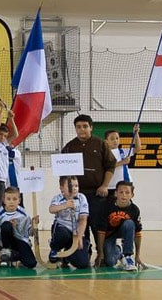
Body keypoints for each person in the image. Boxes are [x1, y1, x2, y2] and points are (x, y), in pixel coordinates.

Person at [61, 114, 116, 246]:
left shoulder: (101, 144)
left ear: (91, 127)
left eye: (85, 126)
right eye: (78, 127)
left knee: (97, 224)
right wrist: (66, 192)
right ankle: (84, 250)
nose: (82, 129)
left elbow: (110, 165)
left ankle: (101, 253)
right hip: (76, 196)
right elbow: (62, 171)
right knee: (80, 224)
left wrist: (104, 186)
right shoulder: (69, 147)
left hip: (96, 194)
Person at [95, 181, 143, 271]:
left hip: (125, 230)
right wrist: (100, 253)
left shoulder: (134, 210)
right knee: (110, 262)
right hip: (109, 234)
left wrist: (137, 256)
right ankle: (118, 250)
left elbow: (138, 233)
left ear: (132, 195)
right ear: (116, 193)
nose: (124, 195)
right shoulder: (106, 206)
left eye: (127, 192)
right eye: (121, 192)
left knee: (129, 223)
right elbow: (101, 232)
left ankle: (128, 256)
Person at [0, 187, 38, 268]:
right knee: (6, 225)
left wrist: (34, 225)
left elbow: (29, 233)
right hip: (5, 241)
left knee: (31, 263)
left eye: (14, 199)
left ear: (19, 200)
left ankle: (13, 255)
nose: (11, 202)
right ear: (4, 200)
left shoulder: (24, 214)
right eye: (8, 199)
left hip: (19, 239)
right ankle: (5, 252)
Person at [48, 176, 90, 269]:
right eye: (70, 186)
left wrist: (79, 237)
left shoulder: (81, 198)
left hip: (76, 231)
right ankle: (54, 248)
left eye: (76, 186)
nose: (74, 188)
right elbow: (51, 209)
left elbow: (83, 219)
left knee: (82, 263)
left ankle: (67, 255)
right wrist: (65, 205)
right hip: (62, 228)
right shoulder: (58, 198)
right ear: (62, 188)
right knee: (62, 234)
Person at [103, 125, 142, 199]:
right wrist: (122, 162)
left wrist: (136, 133)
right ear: (106, 141)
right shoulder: (104, 153)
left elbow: (138, 148)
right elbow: (106, 167)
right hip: (111, 185)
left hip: (125, 183)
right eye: (112, 139)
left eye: (117, 138)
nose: (115, 141)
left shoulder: (123, 151)